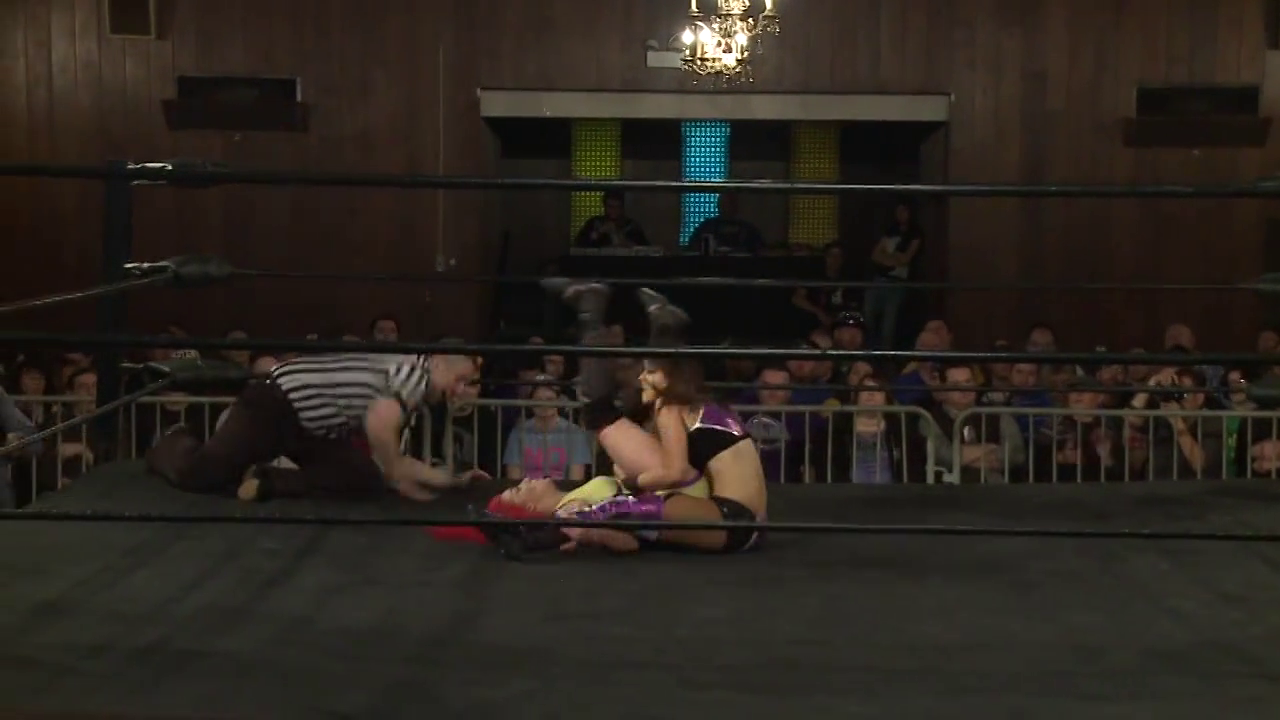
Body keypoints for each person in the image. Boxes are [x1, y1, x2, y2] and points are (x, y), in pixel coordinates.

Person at [485, 281, 768, 556]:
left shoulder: (673, 409)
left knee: (600, 419)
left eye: (650, 371)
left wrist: (634, 482)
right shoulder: (692, 407)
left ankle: (603, 314)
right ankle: (636, 319)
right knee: (602, 421)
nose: (642, 376)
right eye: (519, 490)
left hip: (729, 516)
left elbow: (675, 473)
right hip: (735, 517)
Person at [146, 350, 485, 503]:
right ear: (438, 363)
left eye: (468, 384)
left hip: (313, 427)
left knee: (363, 478)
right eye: (459, 379)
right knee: (199, 476)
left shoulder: (409, 375)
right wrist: (398, 475)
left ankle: (268, 481)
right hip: (275, 404)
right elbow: (380, 425)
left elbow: (391, 458)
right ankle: (173, 440)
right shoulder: (415, 374)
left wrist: (450, 481)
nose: (459, 391)